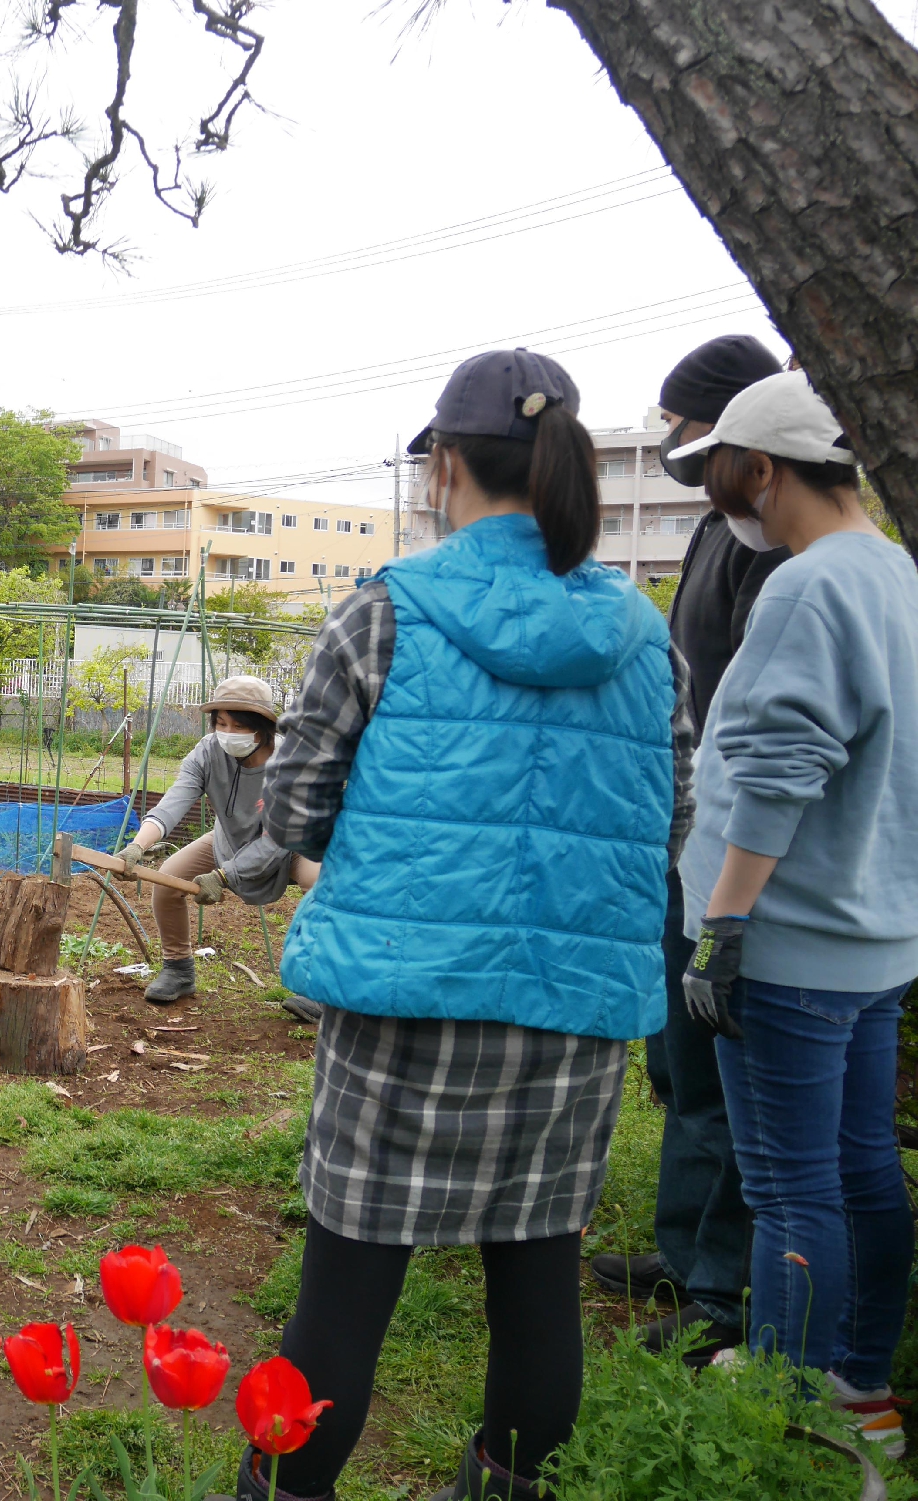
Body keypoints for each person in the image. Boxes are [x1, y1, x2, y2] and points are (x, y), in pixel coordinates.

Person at [241, 350, 696, 1501]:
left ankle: (281, 1494)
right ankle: (503, 1485)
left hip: (403, 1005)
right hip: (571, 1015)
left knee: (344, 1289)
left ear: (444, 464)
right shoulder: (643, 639)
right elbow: (673, 814)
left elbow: (290, 801)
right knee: (537, 1275)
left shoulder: (387, 610)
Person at [670, 370, 918, 1458]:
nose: (730, 503)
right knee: (862, 1164)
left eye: (727, 477)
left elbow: (776, 768)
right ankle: (860, 1383)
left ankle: (778, 1407)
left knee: (786, 1186)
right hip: (875, 935)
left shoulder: (807, 585)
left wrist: (722, 928)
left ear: (760, 468)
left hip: (788, 937)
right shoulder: (898, 575)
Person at [586, 334, 783, 1362]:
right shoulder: (714, 527)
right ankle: (682, 1248)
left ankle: (720, 1288)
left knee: (714, 1066)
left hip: (732, 843)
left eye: (683, 428)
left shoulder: (770, 543)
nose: (675, 447)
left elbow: (765, 729)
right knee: (673, 1057)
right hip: (691, 827)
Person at [107, 675, 318, 1005]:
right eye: (221, 723)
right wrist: (139, 844)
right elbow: (176, 799)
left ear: (262, 726)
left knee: (321, 886)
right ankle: (178, 969)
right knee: (168, 881)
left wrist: (224, 876)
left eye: (238, 725)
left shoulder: (291, 763)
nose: (228, 734)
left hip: (292, 843)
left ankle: (317, 986)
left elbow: (277, 837)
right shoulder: (208, 751)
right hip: (229, 838)